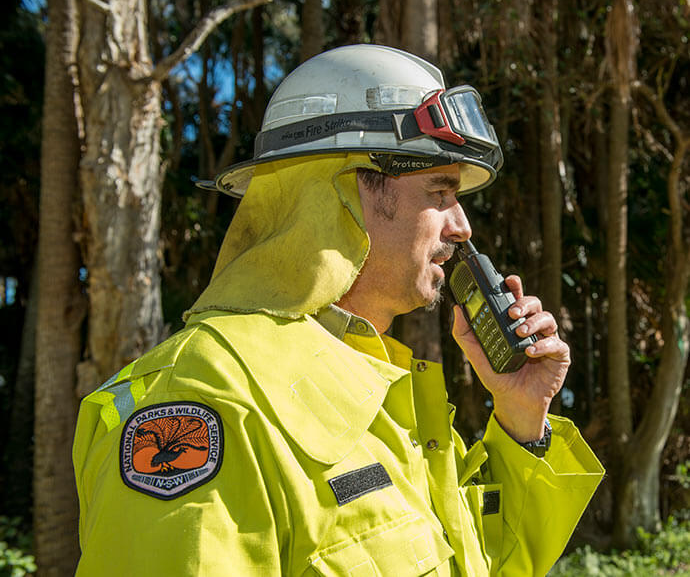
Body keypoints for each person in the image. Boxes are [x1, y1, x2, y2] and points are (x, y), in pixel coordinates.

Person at [73, 44, 604, 576]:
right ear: (343, 195)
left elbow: (489, 563)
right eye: (440, 192)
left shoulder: (380, 389)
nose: (461, 226)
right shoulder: (202, 398)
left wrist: (519, 420)